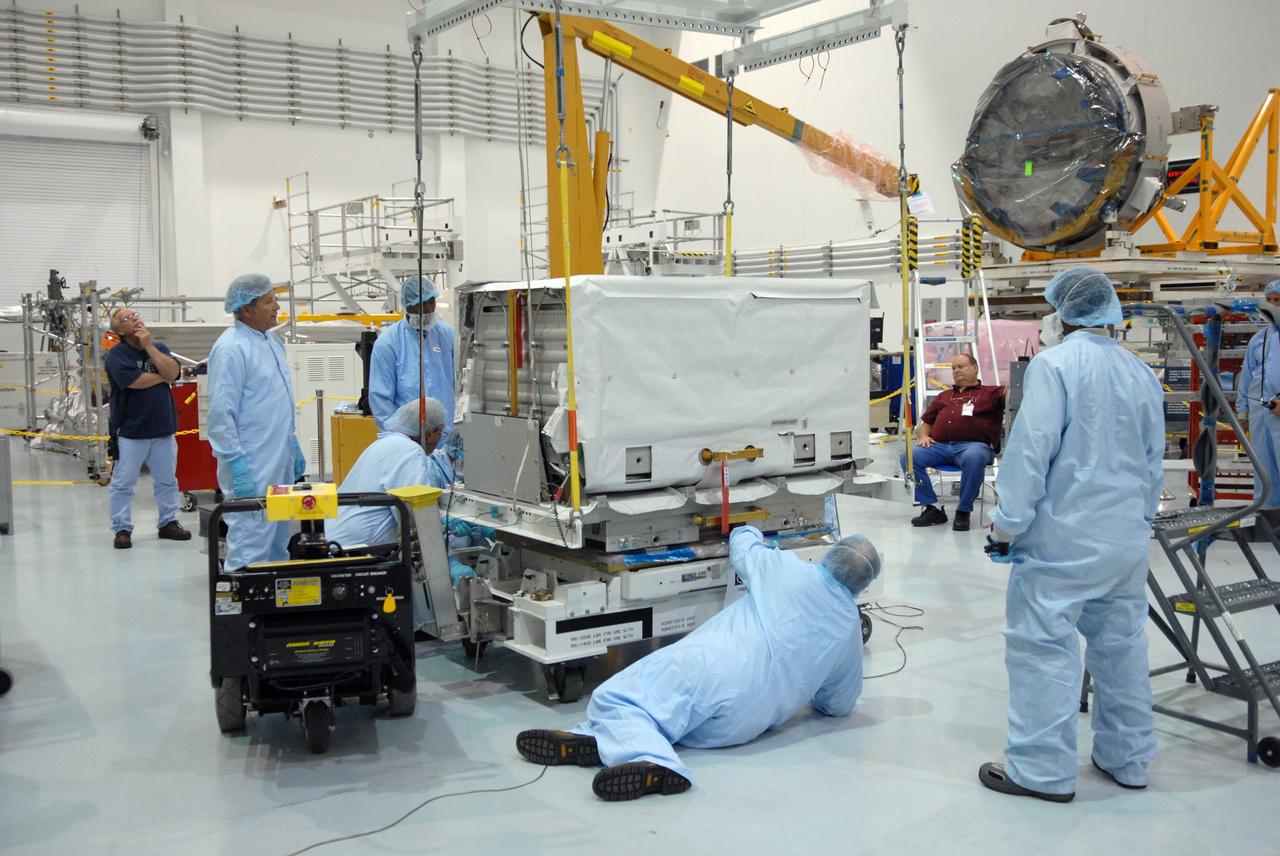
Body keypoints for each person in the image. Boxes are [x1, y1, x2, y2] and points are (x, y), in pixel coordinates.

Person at [515, 526, 882, 801]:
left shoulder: (788, 569)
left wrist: (749, 524)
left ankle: (654, 761)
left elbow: (742, 546)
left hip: (714, 669)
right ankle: (596, 742)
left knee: (617, 697)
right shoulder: (849, 629)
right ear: (862, 586)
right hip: (742, 726)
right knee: (669, 716)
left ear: (832, 554)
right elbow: (839, 704)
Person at [980, 267, 1163, 803]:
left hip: (1063, 540)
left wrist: (1006, 526)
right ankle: (1127, 759)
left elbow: (1030, 451)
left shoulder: (1054, 366)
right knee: (1121, 649)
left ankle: (1040, 772)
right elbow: (1154, 463)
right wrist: (1139, 521)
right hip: (1125, 539)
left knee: (1043, 649)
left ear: (1063, 313)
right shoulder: (1139, 372)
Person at [206, 274, 306, 570]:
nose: (277, 307)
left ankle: (274, 608)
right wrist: (235, 463)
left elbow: (275, 401)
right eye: (268, 301)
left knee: (278, 541)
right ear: (246, 309)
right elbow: (222, 414)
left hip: (278, 459)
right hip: (251, 463)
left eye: (275, 299)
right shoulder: (231, 348)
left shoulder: (272, 342)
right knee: (251, 542)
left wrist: (293, 444)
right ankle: (245, 608)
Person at [105, 308, 191, 548]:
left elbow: (173, 372)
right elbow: (135, 381)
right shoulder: (117, 355)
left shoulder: (159, 347)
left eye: (134, 314)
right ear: (119, 330)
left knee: (167, 480)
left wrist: (149, 346)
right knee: (123, 483)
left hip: (163, 429)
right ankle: (122, 528)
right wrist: (163, 376)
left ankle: (168, 522)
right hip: (131, 432)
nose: (134, 318)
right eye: (126, 318)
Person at [326, 397, 458, 549]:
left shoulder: (385, 445)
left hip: (337, 538)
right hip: (353, 549)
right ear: (430, 432)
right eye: (440, 432)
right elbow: (418, 516)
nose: (440, 439)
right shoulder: (409, 451)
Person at [903, 352, 1005, 531]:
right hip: (940, 446)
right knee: (910, 456)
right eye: (953, 368)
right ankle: (931, 507)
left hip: (973, 446)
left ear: (975, 368)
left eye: (961, 366)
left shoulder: (992, 393)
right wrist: (924, 437)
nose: (956, 370)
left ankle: (963, 510)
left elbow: (1016, 392)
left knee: (974, 457)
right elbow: (926, 424)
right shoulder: (944, 396)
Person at [368, 275, 456, 437]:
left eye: (431, 302)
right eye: (422, 304)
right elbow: (381, 400)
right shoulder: (388, 343)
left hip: (445, 435)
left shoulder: (448, 336)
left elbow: (460, 386)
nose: (429, 309)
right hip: (408, 437)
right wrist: (398, 437)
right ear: (409, 305)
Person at [1234, 279, 1280, 507]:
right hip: (1259, 414)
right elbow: (1247, 377)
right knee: (1264, 469)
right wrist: (1242, 413)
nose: (1272, 305)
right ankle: (1267, 518)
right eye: (1269, 300)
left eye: (1278, 300)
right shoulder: (1259, 339)